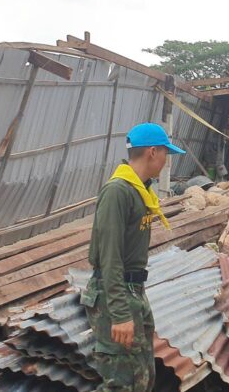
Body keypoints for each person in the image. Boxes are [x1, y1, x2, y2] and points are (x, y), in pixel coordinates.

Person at [82, 123, 186, 391]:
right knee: (121, 382)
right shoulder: (118, 191)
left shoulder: (141, 190)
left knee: (141, 376)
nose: (166, 161)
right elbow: (109, 258)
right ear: (152, 152)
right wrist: (119, 314)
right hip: (113, 294)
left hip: (134, 290)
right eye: (165, 154)